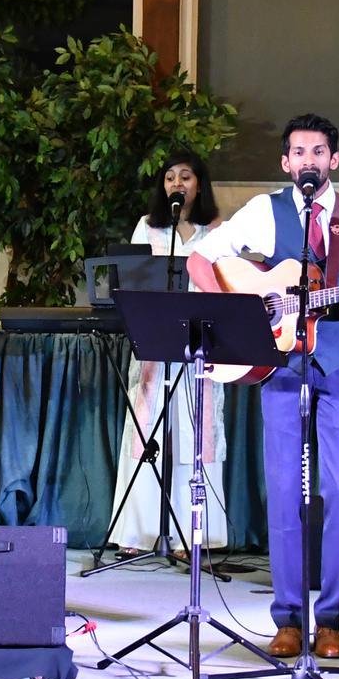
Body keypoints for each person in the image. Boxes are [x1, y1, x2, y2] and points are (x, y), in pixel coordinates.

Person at [188, 114, 339, 660]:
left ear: (334, 160)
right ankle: (288, 619)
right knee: (283, 493)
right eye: (299, 152)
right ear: (285, 162)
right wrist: (234, 312)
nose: (309, 160)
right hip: (279, 366)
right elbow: (200, 258)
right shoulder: (264, 210)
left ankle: (330, 620)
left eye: (318, 151)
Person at [109, 151, 228, 559]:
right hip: (155, 342)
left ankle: (193, 536)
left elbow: (226, 283)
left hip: (201, 342)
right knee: (146, 431)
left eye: (185, 176)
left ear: (199, 184)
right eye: (170, 177)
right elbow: (134, 281)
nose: (177, 184)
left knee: (198, 433)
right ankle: (138, 533)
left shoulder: (217, 230)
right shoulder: (149, 226)